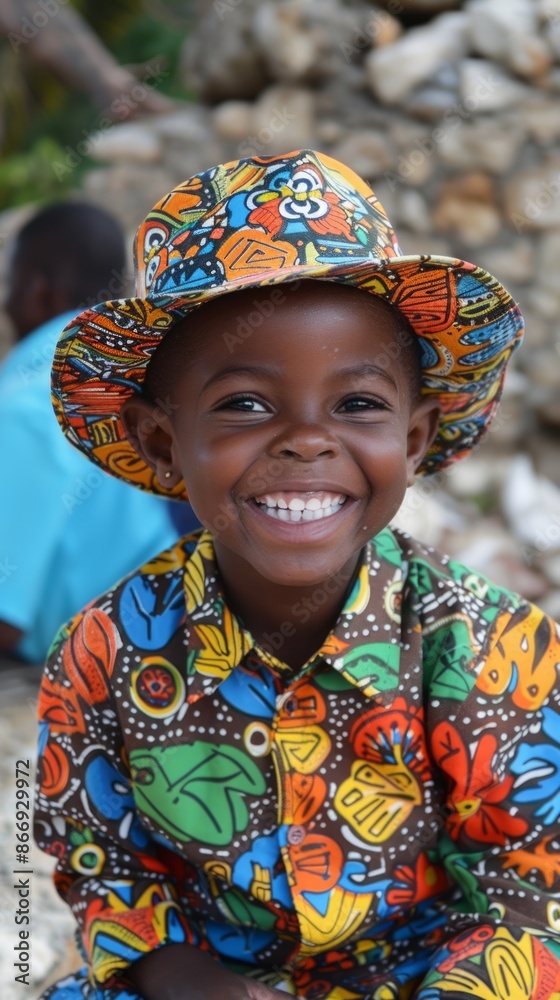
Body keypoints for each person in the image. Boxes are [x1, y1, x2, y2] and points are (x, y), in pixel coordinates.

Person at [33, 151, 560, 1000]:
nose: (307, 440)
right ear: (165, 442)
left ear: (417, 438)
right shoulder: (102, 654)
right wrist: (198, 985)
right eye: (245, 403)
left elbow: (526, 883)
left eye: (358, 404)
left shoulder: (490, 646)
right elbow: (102, 867)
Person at [0, 201, 186, 664]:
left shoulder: (28, 404)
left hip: (116, 662)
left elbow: (4, 616)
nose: (5, 302)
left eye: (12, 284)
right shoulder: (132, 382)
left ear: (40, 291)